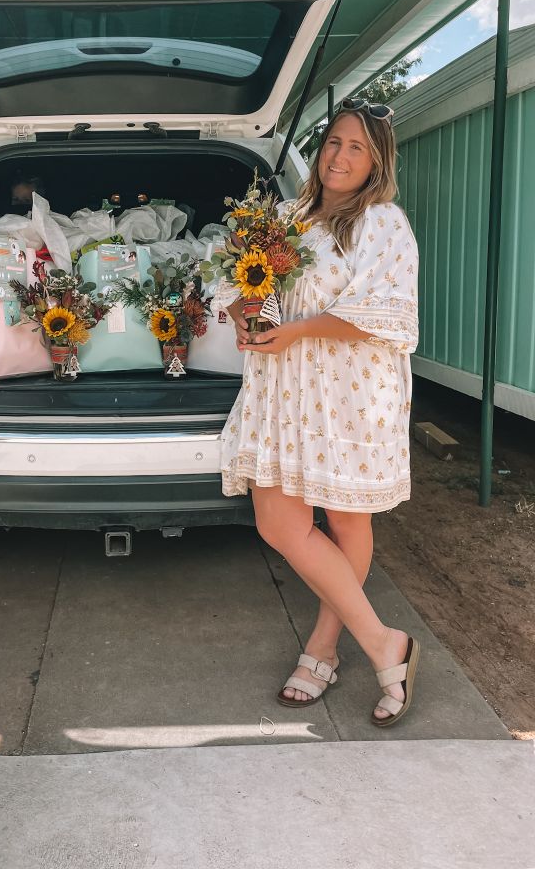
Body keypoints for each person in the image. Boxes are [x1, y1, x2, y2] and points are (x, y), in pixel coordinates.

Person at [221, 98, 421, 727]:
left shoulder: (383, 223)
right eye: (334, 142)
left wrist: (298, 329)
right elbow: (238, 285)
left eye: (357, 148)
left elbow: (384, 311)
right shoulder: (287, 215)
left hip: (351, 394)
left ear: (377, 162)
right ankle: (387, 642)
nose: (340, 156)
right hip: (285, 389)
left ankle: (325, 647)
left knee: (345, 521)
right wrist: (245, 315)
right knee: (279, 522)